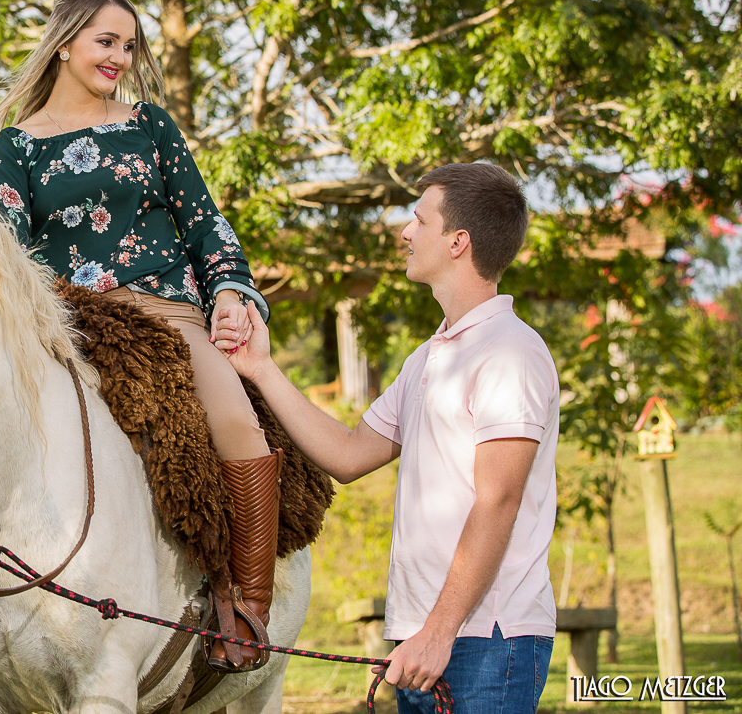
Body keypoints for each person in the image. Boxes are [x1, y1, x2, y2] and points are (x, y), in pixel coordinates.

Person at [0, 0, 278, 673]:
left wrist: (232, 291)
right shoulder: (14, 146)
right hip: (67, 327)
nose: (118, 56)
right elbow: (2, 251)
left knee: (242, 426)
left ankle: (246, 604)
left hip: (168, 313)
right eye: (104, 40)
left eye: (128, 45)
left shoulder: (149, 125)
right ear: (64, 43)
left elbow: (203, 219)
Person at [226, 163, 558, 712]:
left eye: (418, 220)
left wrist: (439, 631)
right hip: (423, 640)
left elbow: (498, 501)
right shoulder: (430, 357)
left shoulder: (510, 353)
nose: (405, 233)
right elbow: (350, 454)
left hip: (487, 643)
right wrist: (260, 368)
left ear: (458, 242)